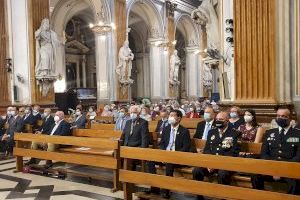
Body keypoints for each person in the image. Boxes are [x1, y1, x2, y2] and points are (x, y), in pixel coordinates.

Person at [251, 107, 300, 195]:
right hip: (271, 168)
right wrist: (273, 170)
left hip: (289, 170)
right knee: (255, 175)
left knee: (295, 182)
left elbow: (298, 156)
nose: (280, 118)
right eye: (278, 116)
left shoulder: (297, 134)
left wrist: (282, 171)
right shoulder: (270, 132)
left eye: (283, 116)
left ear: (290, 118)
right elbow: (264, 154)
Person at [192, 111, 240, 200]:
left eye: (221, 119)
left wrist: (217, 164)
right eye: (217, 119)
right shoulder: (212, 132)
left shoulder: (234, 133)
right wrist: (210, 163)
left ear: (227, 121)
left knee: (222, 174)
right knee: (196, 170)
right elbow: (207, 149)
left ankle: (223, 197)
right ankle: (199, 195)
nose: (218, 121)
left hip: (226, 164)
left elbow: (233, 153)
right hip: (211, 163)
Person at [147, 110, 191, 198]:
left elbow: (186, 148)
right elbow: (162, 144)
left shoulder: (184, 131)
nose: (170, 117)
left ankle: (166, 190)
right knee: (150, 160)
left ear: (178, 118)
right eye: (169, 115)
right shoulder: (166, 129)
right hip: (165, 155)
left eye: (172, 116)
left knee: (169, 162)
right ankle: (154, 188)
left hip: (177, 157)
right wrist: (163, 154)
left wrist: (172, 156)